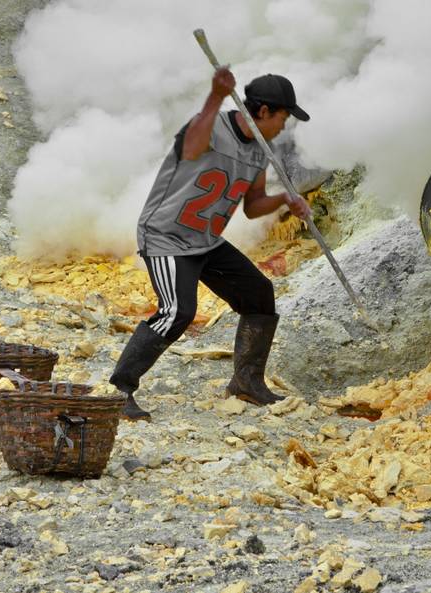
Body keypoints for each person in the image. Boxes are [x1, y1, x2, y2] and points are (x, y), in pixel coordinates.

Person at [110, 68, 311, 421]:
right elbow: (190, 147)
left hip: (204, 241)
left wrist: (284, 200)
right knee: (177, 311)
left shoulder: (260, 151)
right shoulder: (211, 125)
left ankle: (247, 383)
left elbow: (253, 206)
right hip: (166, 236)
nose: (284, 126)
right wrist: (216, 94)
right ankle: (118, 390)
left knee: (259, 295)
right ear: (263, 112)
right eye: (283, 117)